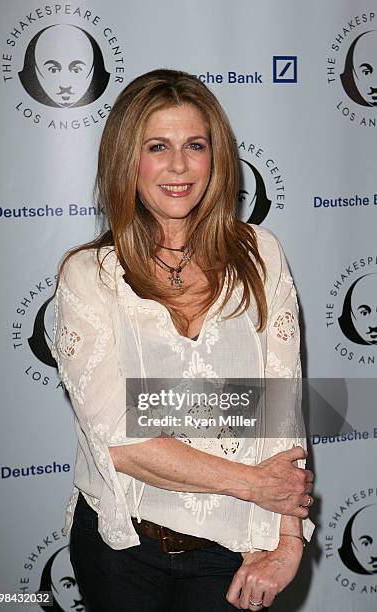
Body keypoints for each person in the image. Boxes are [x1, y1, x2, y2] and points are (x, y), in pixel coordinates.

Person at [52, 68, 314, 611]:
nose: (177, 166)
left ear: (215, 158)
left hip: (232, 548)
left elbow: (280, 413)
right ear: (128, 160)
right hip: (120, 547)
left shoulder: (260, 255)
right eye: (157, 146)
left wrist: (287, 542)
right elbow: (119, 440)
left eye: (194, 145)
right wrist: (250, 482)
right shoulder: (89, 274)